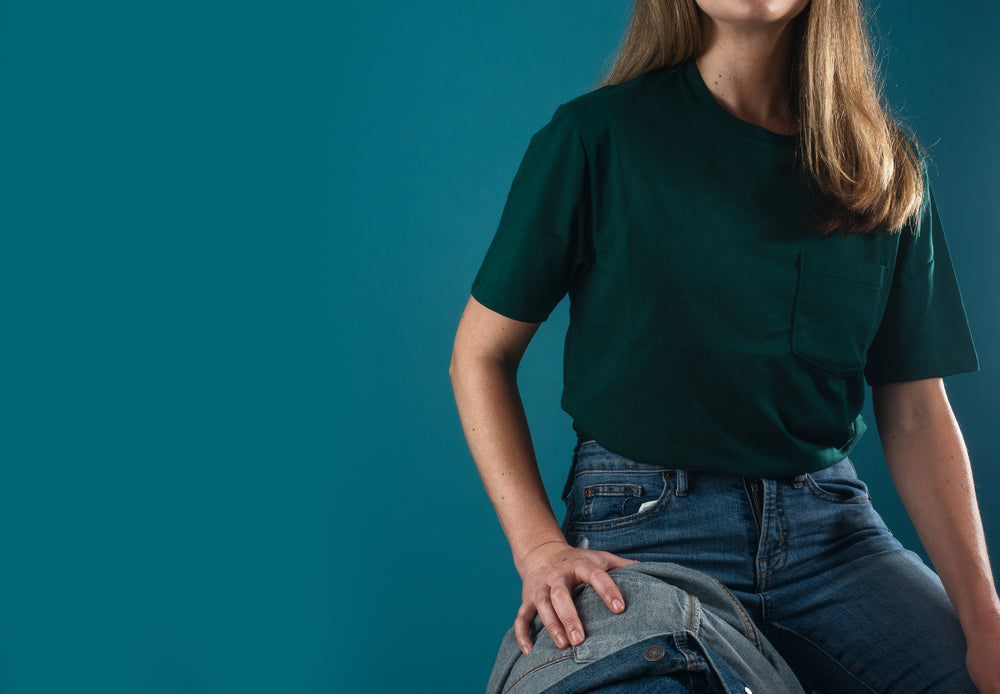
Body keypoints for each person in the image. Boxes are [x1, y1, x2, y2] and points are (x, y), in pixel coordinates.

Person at [449, 0, 1000, 692]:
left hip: (835, 540)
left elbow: (917, 413)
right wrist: (537, 549)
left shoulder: (886, 170)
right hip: (642, 539)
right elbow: (479, 355)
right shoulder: (597, 138)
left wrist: (985, 619)